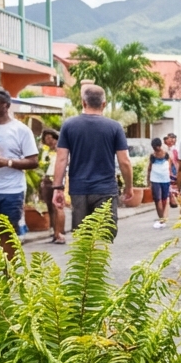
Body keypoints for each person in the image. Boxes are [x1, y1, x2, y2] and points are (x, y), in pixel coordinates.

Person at [52, 85, 133, 238]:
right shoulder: (114, 127)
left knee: (83, 241)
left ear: (83, 103)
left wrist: (58, 188)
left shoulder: (69, 125)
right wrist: (129, 187)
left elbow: (62, 158)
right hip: (105, 189)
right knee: (103, 237)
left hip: (79, 190)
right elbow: (125, 162)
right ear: (104, 104)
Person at [0, 86, 39, 259]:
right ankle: (0, 266)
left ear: (6, 105)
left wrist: (6, 162)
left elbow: (33, 161)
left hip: (11, 191)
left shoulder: (21, 130)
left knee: (6, 235)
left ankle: (8, 277)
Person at [38, 128, 66, 244]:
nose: (49, 141)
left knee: (58, 206)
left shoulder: (62, 150)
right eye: (46, 139)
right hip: (47, 179)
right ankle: (54, 232)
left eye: (51, 138)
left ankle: (60, 233)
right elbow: (41, 165)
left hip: (57, 180)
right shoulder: (45, 152)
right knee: (50, 207)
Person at [147, 138, 173, 228]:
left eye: (155, 147)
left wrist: (171, 175)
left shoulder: (166, 154)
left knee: (164, 199)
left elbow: (170, 164)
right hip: (155, 179)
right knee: (157, 199)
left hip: (165, 179)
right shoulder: (152, 155)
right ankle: (161, 218)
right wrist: (148, 181)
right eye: (153, 147)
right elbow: (149, 168)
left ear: (159, 146)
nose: (155, 149)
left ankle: (163, 218)